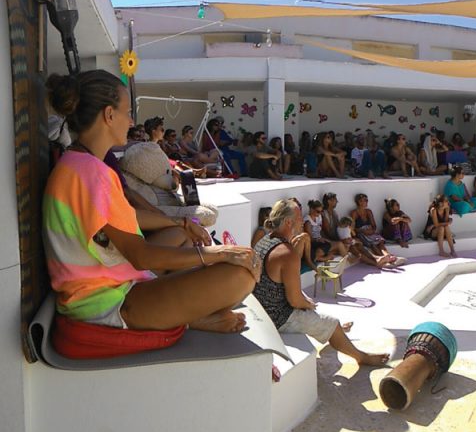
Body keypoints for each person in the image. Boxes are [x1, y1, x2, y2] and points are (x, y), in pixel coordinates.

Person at [43, 69, 257, 336]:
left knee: (180, 236)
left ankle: (185, 314)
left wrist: (180, 221)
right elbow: (141, 256)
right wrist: (219, 253)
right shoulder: (94, 174)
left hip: (101, 285)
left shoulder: (76, 163)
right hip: (105, 303)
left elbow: (123, 218)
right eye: (127, 112)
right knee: (239, 277)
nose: (131, 121)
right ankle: (188, 318)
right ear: (109, 115)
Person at [252, 199, 389, 365]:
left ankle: (331, 331)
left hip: (263, 310)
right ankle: (361, 357)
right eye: (298, 218)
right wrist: (307, 305)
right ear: (289, 222)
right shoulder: (286, 253)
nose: (302, 221)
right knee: (332, 323)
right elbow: (294, 300)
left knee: (314, 310)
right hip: (278, 318)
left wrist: (305, 302)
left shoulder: (264, 241)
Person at [350, 194, 401, 268]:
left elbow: (374, 225)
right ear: (359, 202)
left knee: (380, 242)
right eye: (365, 200)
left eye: (367, 200)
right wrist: (363, 231)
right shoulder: (354, 213)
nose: (367, 202)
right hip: (362, 233)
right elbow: (353, 228)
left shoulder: (368, 211)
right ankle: (383, 259)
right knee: (373, 244)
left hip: (371, 232)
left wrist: (372, 230)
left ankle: (387, 255)